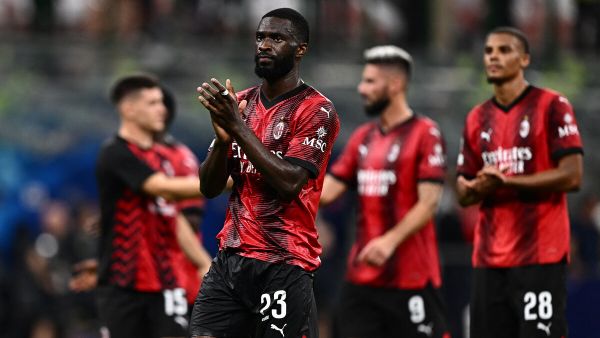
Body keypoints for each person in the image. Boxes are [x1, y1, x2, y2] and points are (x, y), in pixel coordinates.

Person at [190, 8, 340, 338]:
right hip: (231, 259)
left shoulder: (317, 110)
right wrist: (223, 139)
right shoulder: (240, 103)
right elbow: (209, 186)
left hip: (283, 263)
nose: (264, 45)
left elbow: (289, 183)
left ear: (301, 49)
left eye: (276, 38)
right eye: (260, 37)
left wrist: (238, 128)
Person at [456, 27, 584, 338]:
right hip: (488, 259)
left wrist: (509, 182)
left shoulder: (552, 105)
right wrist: (477, 189)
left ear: (524, 58)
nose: (493, 57)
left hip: (539, 257)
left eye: (504, 50)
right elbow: (462, 189)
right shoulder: (476, 118)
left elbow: (572, 174)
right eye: (488, 52)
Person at [320, 45, 451, 338]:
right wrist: (278, 178)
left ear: (395, 84)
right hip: (362, 279)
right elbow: (327, 192)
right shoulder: (362, 138)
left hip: (412, 278)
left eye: (370, 81)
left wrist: (389, 241)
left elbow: (428, 203)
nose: (361, 88)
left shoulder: (425, 133)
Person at [94, 74, 204, 338]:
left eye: (162, 103)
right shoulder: (115, 153)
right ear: (128, 109)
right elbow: (162, 188)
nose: (162, 109)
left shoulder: (167, 158)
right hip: (123, 284)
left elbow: (174, 217)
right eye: (153, 103)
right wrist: (232, 180)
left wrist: (203, 264)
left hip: (167, 282)